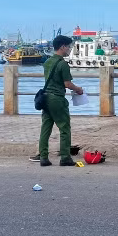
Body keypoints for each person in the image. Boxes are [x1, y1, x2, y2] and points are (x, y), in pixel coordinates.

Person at [30, 35, 84, 167]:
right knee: (64, 128)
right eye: (69, 46)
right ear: (63, 47)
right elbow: (67, 84)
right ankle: (65, 157)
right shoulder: (63, 64)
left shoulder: (47, 62)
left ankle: (43, 157)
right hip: (57, 99)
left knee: (46, 128)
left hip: (46, 98)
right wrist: (78, 89)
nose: (70, 49)